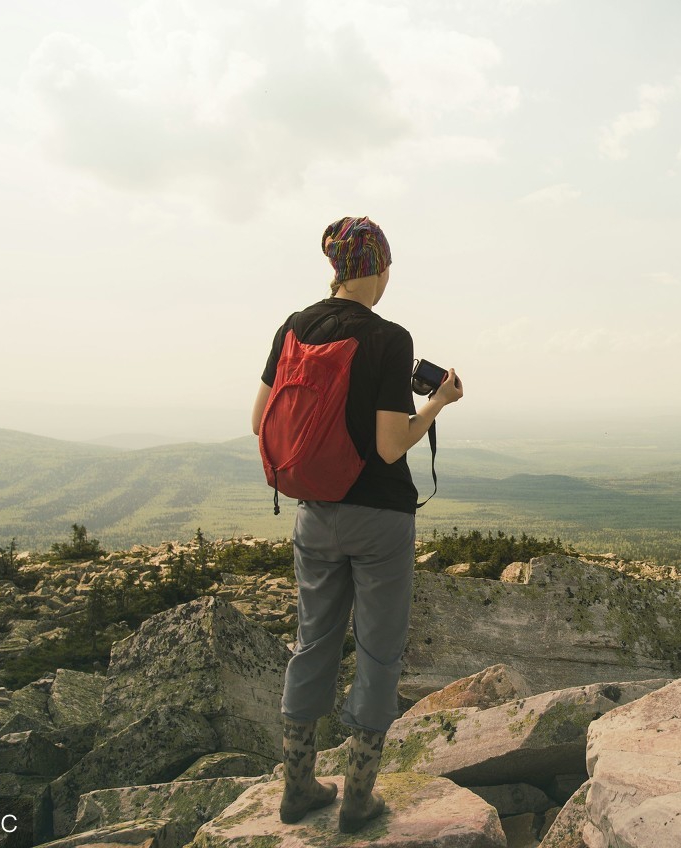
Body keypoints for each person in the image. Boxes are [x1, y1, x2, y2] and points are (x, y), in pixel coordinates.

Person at [250, 216, 463, 831]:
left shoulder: (295, 326)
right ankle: (359, 800)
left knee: (311, 642)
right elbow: (391, 445)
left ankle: (298, 789)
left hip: (314, 512)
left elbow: (259, 419)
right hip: (379, 519)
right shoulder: (390, 339)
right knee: (377, 651)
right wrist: (437, 404)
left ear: (336, 268)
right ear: (380, 269)